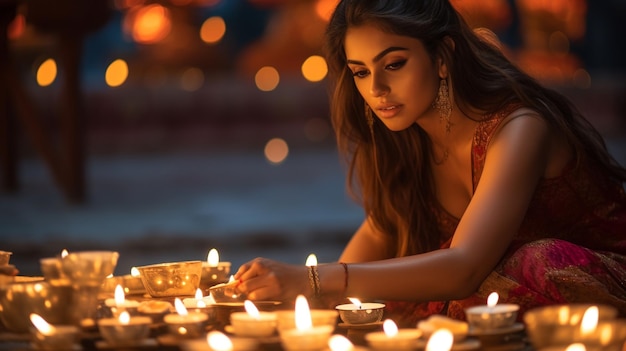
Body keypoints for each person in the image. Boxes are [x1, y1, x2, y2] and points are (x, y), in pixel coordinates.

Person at [234, 0, 626, 327]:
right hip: (490, 286)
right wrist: (291, 299)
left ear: (442, 57)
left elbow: (463, 268)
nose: (376, 90)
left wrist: (313, 279)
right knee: (372, 306)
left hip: (591, 280)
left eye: (394, 64)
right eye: (360, 72)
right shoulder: (407, 139)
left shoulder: (520, 128)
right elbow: (373, 242)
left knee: (528, 263)